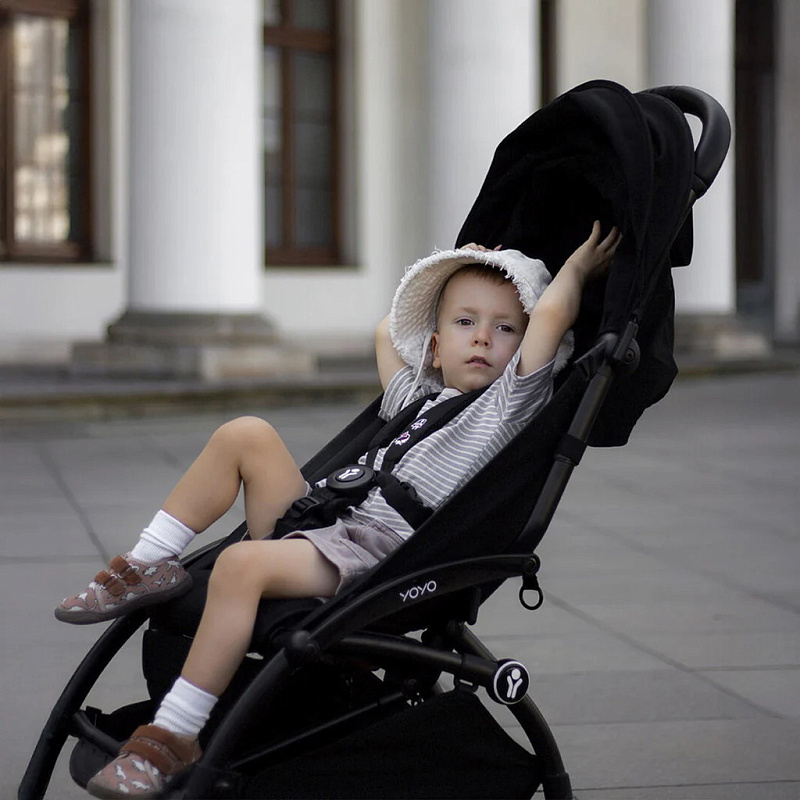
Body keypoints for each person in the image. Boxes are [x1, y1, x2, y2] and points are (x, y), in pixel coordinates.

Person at [60, 221, 620, 798]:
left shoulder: (505, 410)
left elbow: (550, 316)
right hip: (326, 522)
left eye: (504, 329)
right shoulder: (419, 398)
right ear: (433, 346)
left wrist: (576, 269)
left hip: (375, 554)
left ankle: (172, 737)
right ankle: (144, 563)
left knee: (239, 565)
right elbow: (386, 332)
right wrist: (459, 261)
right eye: (464, 322)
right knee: (245, 433)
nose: (482, 338)